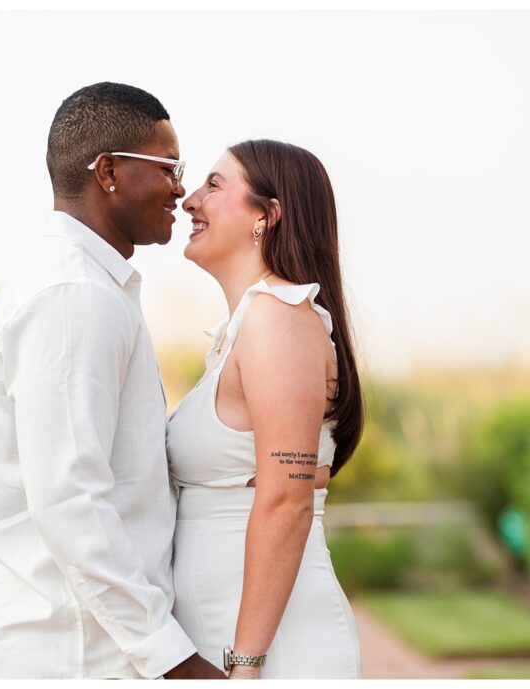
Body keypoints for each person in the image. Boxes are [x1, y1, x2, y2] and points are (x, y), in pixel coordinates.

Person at [0, 82, 223, 679]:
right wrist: (171, 658)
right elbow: (70, 496)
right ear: (109, 172)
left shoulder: (89, 285)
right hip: (74, 648)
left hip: (87, 640)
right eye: (170, 166)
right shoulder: (73, 294)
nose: (181, 188)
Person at [166, 139, 365, 678]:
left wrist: (246, 663)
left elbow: (286, 501)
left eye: (214, 185)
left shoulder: (277, 319)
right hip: (226, 634)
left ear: (267, 215)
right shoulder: (247, 327)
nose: (189, 201)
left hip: (273, 649)